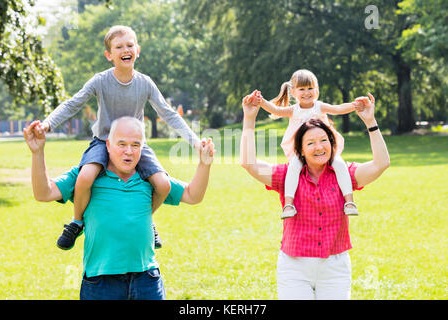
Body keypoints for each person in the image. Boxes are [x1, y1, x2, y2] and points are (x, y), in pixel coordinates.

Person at [30, 25, 201, 250]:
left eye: (129, 45)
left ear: (137, 50)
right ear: (109, 55)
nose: (125, 49)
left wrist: (195, 141)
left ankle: (147, 221)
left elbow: (168, 114)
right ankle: (76, 222)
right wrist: (47, 123)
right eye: (118, 46)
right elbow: (73, 103)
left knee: (162, 185)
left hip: (136, 144)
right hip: (103, 141)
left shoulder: (145, 83)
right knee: (84, 178)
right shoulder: (100, 81)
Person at [23, 116, 214, 300]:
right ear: (107, 145)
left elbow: (192, 195)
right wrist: (37, 153)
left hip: (146, 279)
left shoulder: (149, 177)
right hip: (101, 283)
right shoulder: (87, 176)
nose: (129, 152)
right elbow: (43, 193)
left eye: (135, 145)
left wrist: (204, 165)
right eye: (121, 144)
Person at [240, 92, 390, 300]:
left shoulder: (344, 174)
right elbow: (250, 164)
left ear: (332, 143)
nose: (319, 147)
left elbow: (381, 164)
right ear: (300, 150)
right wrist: (249, 118)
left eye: (324, 140)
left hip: (334, 268)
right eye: (310, 143)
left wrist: (370, 122)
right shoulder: (286, 176)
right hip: (294, 269)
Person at [253, 69, 360, 219]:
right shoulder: (294, 110)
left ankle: (349, 202)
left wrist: (356, 105)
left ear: (316, 90)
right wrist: (261, 101)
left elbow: (338, 109)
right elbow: (276, 109)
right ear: (293, 92)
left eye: (310, 88)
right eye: (302, 89)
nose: (306, 92)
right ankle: (289, 204)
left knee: (339, 164)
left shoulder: (319, 106)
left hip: (322, 148)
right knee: (293, 168)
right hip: (302, 150)